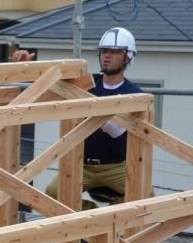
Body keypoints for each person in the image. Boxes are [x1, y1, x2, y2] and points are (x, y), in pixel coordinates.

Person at [31, 27, 143, 205]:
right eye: (104, 51)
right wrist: (33, 74)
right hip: (82, 163)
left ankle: (112, 217)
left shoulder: (132, 93)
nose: (107, 56)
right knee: (52, 194)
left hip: (116, 167)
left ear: (128, 57)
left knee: (145, 196)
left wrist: (91, 111)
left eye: (114, 52)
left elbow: (117, 131)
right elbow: (54, 89)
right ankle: (90, 213)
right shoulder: (88, 83)